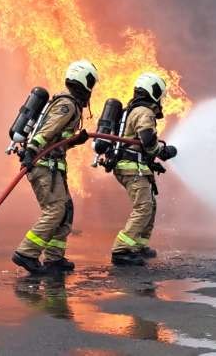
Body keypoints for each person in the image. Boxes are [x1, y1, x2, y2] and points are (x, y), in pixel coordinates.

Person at [11, 60, 96, 275]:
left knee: (65, 211)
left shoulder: (70, 104)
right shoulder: (67, 105)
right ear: (83, 81)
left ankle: (54, 259)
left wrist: (76, 141)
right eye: (91, 81)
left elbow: (58, 138)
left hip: (53, 167)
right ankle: (26, 253)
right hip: (43, 166)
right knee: (55, 210)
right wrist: (32, 150)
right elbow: (48, 131)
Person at [110, 72, 178, 267]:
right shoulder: (144, 112)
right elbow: (147, 139)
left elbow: (138, 143)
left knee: (150, 206)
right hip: (132, 168)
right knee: (143, 207)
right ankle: (121, 250)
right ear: (153, 91)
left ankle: (138, 245)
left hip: (136, 166)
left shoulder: (135, 110)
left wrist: (151, 161)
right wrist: (162, 152)